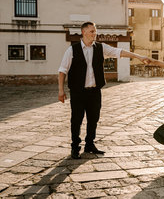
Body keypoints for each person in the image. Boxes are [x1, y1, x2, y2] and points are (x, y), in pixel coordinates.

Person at [58, 21, 149, 159]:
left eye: (95, 31)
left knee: (93, 119)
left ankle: (89, 144)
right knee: (76, 120)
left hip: (95, 91)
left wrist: (138, 56)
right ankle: (75, 147)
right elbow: (62, 71)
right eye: (92, 31)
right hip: (78, 92)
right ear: (83, 32)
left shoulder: (101, 48)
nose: (95, 34)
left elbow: (120, 52)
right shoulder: (72, 50)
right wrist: (60, 91)